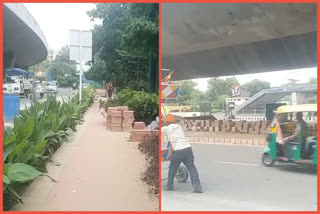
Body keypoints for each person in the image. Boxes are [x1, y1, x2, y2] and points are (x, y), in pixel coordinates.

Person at [161, 114, 202, 193]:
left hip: (178, 151)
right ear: (175, 121)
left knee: (172, 168)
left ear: (167, 123)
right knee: (192, 168)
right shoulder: (179, 127)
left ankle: (169, 186)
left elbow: (160, 129)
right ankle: (197, 186)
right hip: (188, 149)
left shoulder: (167, 128)